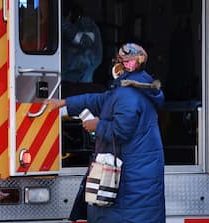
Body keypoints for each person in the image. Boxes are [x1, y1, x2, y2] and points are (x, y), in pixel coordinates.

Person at [44, 43, 166, 223]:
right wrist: (65, 103)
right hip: (138, 179)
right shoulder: (135, 87)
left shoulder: (129, 94)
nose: (114, 64)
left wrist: (97, 125)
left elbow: (121, 130)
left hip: (130, 184)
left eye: (117, 60)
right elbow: (102, 100)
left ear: (124, 64)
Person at [61, 0, 103, 83]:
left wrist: (63, 24)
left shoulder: (86, 23)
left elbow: (85, 41)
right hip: (69, 79)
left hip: (81, 80)